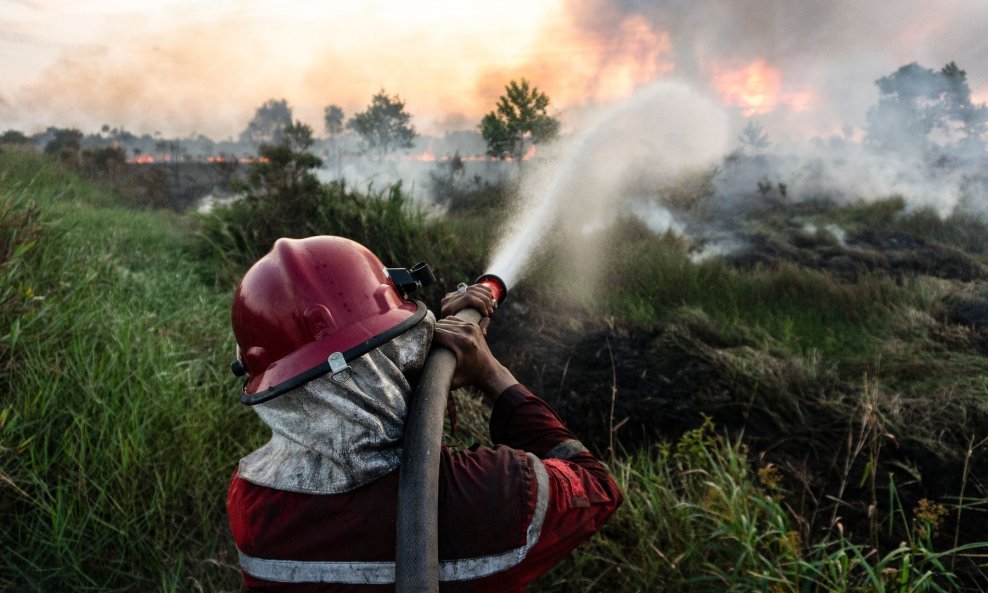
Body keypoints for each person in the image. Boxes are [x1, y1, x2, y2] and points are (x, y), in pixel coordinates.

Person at [226, 235, 622, 592]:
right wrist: (492, 373)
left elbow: (347, 397)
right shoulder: (493, 494)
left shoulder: (251, 502)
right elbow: (597, 488)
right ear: (399, 347)